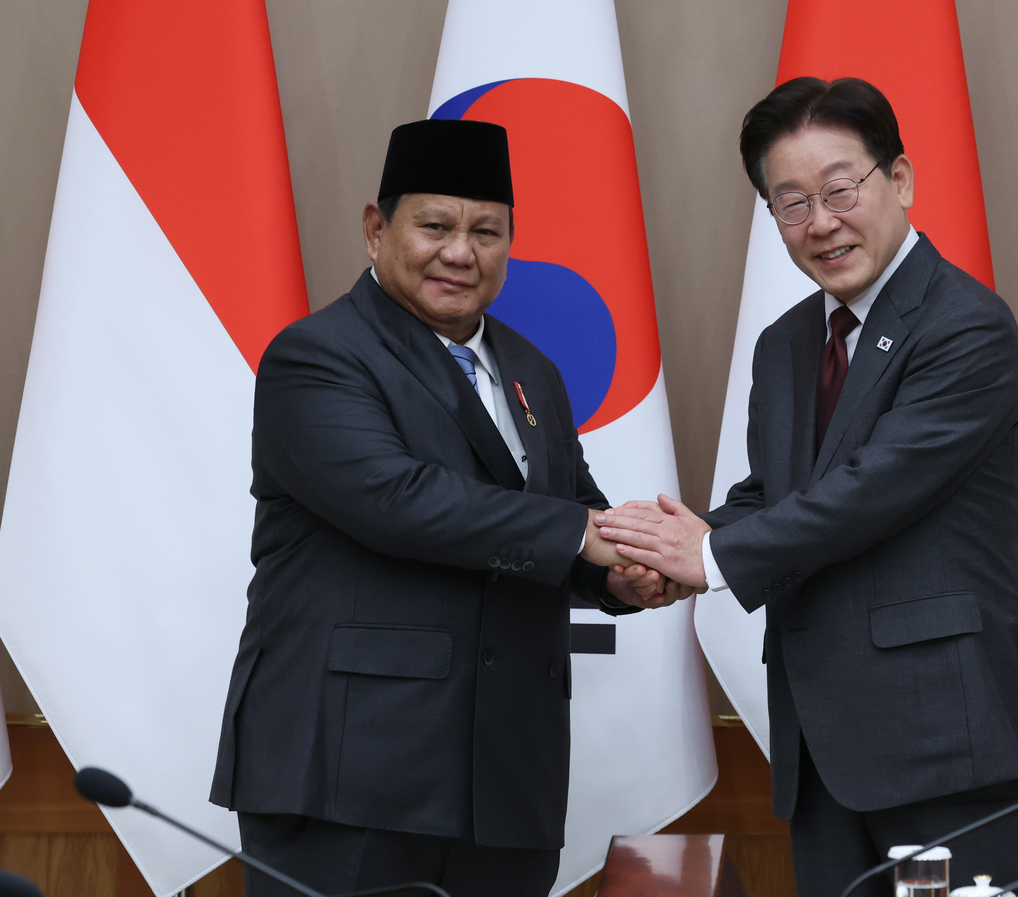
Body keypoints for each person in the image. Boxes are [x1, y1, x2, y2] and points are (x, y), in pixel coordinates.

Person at [597, 78, 1018, 897]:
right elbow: (775, 492)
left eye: (840, 189)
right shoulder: (787, 342)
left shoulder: (966, 325)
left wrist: (708, 558)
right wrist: (665, 553)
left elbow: (870, 490)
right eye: (790, 203)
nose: (820, 222)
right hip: (821, 747)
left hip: (947, 746)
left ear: (902, 181)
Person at [210, 118, 686, 897]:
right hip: (352, 774)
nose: (461, 252)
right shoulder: (318, 356)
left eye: (486, 232)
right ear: (376, 228)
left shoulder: (533, 368)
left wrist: (621, 576)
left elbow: (573, 509)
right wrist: (586, 537)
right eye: (434, 226)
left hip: (506, 780)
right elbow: (396, 501)